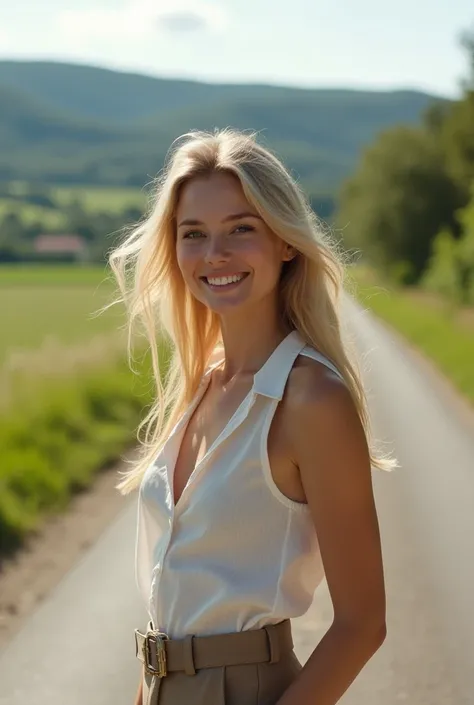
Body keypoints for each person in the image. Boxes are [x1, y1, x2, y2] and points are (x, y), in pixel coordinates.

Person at [107, 128, 396, 705]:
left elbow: (363, 624)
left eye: (242, 228)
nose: (216, 254)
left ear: (285, 242)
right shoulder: (202, 385)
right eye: (195, 234)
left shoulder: (311, 399)